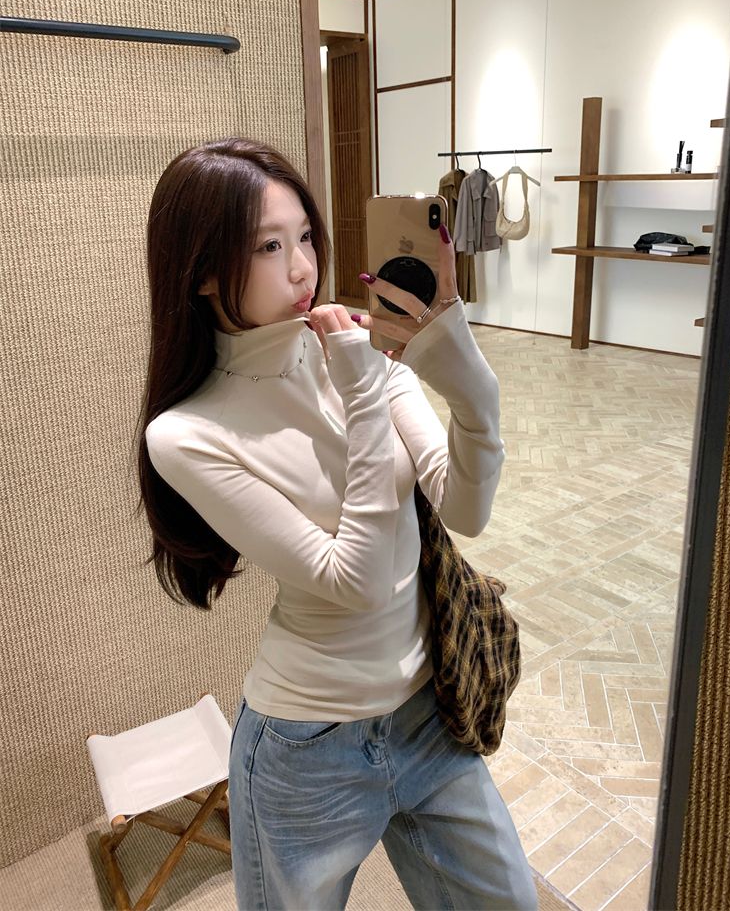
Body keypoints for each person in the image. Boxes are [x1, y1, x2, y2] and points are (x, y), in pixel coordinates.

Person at [135, 137, 537, 911]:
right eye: (268, 246)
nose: (302, 268)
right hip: (307, 749)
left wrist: (468, 382)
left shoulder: (356, 347)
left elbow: (465, 508)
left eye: (306, 237)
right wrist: (362, 385)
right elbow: (355, 582)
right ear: (204, 271)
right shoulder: (187, 435)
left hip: (428, 713)